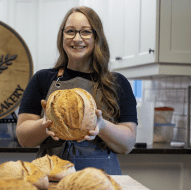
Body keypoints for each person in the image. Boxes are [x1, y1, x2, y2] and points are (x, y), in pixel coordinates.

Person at [16, 6, 137, 175]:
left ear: (97, 37)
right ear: (62, 36)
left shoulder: (117, 83)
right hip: (50, 179)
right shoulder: (42, 79)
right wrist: (44, 124)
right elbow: (23, 137)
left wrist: (101, 125)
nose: (77, 39)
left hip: (101, 180)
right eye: (70, 31)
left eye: (86, 32)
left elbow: (128, 143)